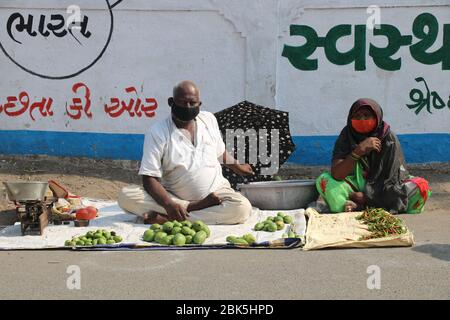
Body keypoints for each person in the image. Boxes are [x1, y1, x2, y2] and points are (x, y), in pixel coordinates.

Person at [118, 81, 255, 224]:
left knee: (242, 208)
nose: (188, 107)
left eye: (192, 103)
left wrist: (238, 166)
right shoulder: (157, 132)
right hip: (175, 197)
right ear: (171, 102)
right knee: (126, 196)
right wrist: (169, 204)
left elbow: (219, 152)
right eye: (183, 103)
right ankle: (190, 208)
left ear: (199, 104)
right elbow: (149, 178)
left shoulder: (208, 120)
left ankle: (167, 219)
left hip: (217, 193)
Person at [316, 98, 431, 214]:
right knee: (324, 180)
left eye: (367, 116)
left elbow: (392, 178)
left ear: (377, 117)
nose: (362, 120)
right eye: (357, 116)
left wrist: (368, 196)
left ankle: (360, 206)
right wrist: (358, 151)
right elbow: (337, 174)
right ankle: (366, 206)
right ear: (350, 119)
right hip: (356, 184)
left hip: (383, 188)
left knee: (421, 186)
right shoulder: (347, 136)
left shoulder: (388, 138)